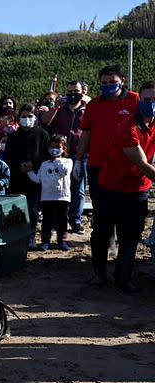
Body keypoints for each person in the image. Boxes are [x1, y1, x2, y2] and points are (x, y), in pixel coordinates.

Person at [90, 81, 155, 293]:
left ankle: (123, 278)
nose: (151, 104)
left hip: (138, 189)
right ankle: (99, 274)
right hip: (112, 188)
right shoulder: (127, 127)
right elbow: (143, 164)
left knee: (131, 235)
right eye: (147, 99)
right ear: (139, 101)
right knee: (102, 231)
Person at [76, 64, 140, 208]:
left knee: (126, 214)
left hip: (126, 166)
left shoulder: (135, 100)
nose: (108, 85)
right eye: (104, 83)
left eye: (112, 82)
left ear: (122, 81)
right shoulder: (93, 105)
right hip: (98, 166)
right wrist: (79, 161)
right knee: (102, 215)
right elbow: (86, 134)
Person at [41, 80, 87, 233]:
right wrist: (56, 106)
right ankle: (57, 220)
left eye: (76, 91)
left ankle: (76, 220)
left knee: (78, 188)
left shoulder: (87, 108)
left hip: (80, 153)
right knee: (57, 188)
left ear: (83, 92)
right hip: (60, 154)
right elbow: (45, 120)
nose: (73, 94)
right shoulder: (61, 108)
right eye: (70, 92)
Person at [3, 103, 50, 249]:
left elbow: (45, 154)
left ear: (35, 118)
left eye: (30, 116)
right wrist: (19, 165)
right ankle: (16, 237)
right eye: (23, 117)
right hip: (17, 177)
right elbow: (8, 156)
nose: (27, 119)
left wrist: (33, 164)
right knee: (14, 208)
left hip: (34, 178)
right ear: (18, 118)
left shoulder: (43, 134)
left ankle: (30, 236)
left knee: (33, 209)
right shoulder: (13, 136)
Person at [28, 135, 73, 251]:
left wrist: (57, 160)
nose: (54, 149)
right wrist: (29, 171)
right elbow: (38, 179)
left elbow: (65, 171)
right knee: (46, 221)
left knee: (62, 220)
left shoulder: (67, 161)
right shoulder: (44, 164)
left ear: (64, 148)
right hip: (47, 197)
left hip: (62, 197)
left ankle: (62, 241)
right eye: (52, 147)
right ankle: (45, 241)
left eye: (58, 147)